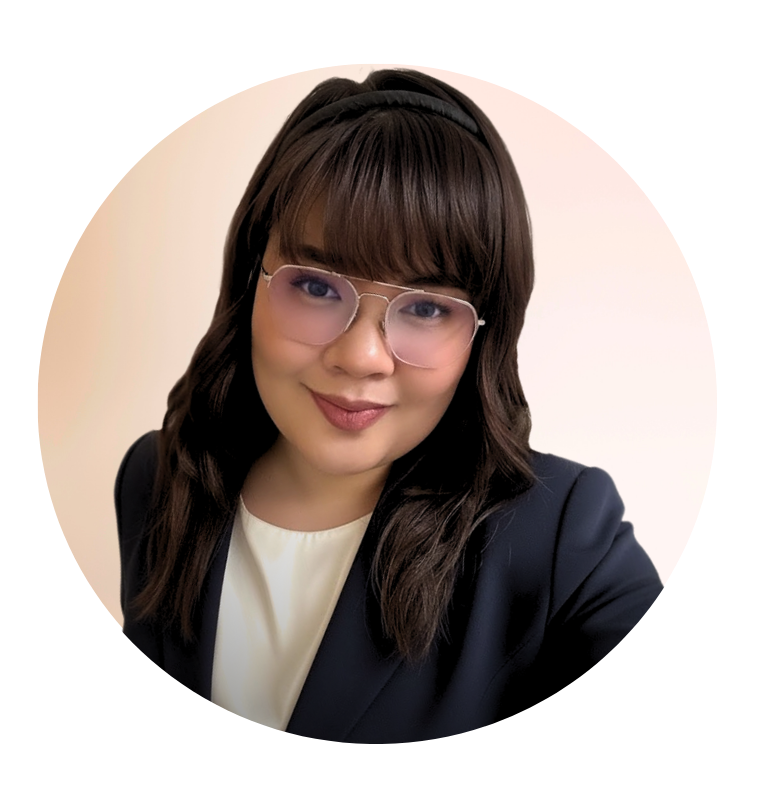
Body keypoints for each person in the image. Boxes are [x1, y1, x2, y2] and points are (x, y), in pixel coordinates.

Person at [115, 68, 663, 740]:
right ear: (249, 281)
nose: (362, 356)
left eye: (428, 307)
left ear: (483, 333)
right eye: (316, 287)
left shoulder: (562, 539)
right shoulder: (158, 477)